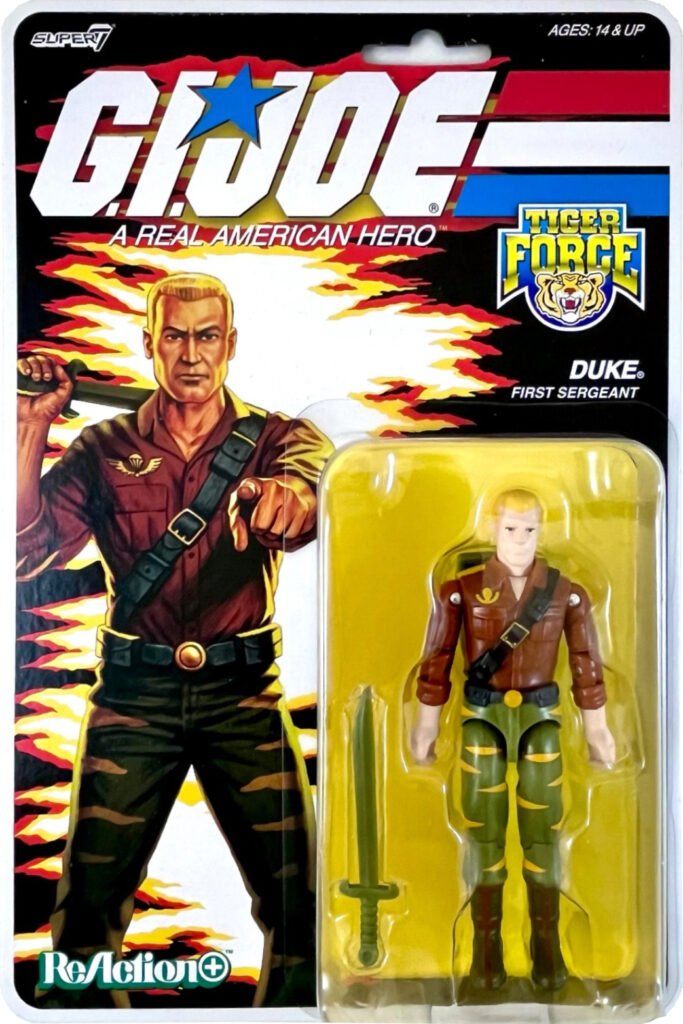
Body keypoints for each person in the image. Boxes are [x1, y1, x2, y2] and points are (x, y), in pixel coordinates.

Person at [16, 271, 333, 1008]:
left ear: (231, 344)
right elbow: (26, 551)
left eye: (207, 336)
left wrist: (283, 499)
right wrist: (31, 428)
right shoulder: (103, 447)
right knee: (85, 919)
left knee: (300, 909)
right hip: (134, 700)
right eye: (176, 337)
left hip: (242, 699)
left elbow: (309, 489)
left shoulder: (278, 438)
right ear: (150, 343)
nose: (191, 355)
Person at [410, 488, 615, 992]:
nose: (520, 539)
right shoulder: (461, 590)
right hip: (482, 717)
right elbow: (437, 661)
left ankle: (548, 948)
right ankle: (485, 954)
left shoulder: (566, 594)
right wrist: (427, 725)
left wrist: (597, 728)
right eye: (510, 529)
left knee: (544, 836)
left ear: (541, 531)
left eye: (529, 530)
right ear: (492, 528)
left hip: (541, 719)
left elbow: (586, 664)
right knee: (484, 836)